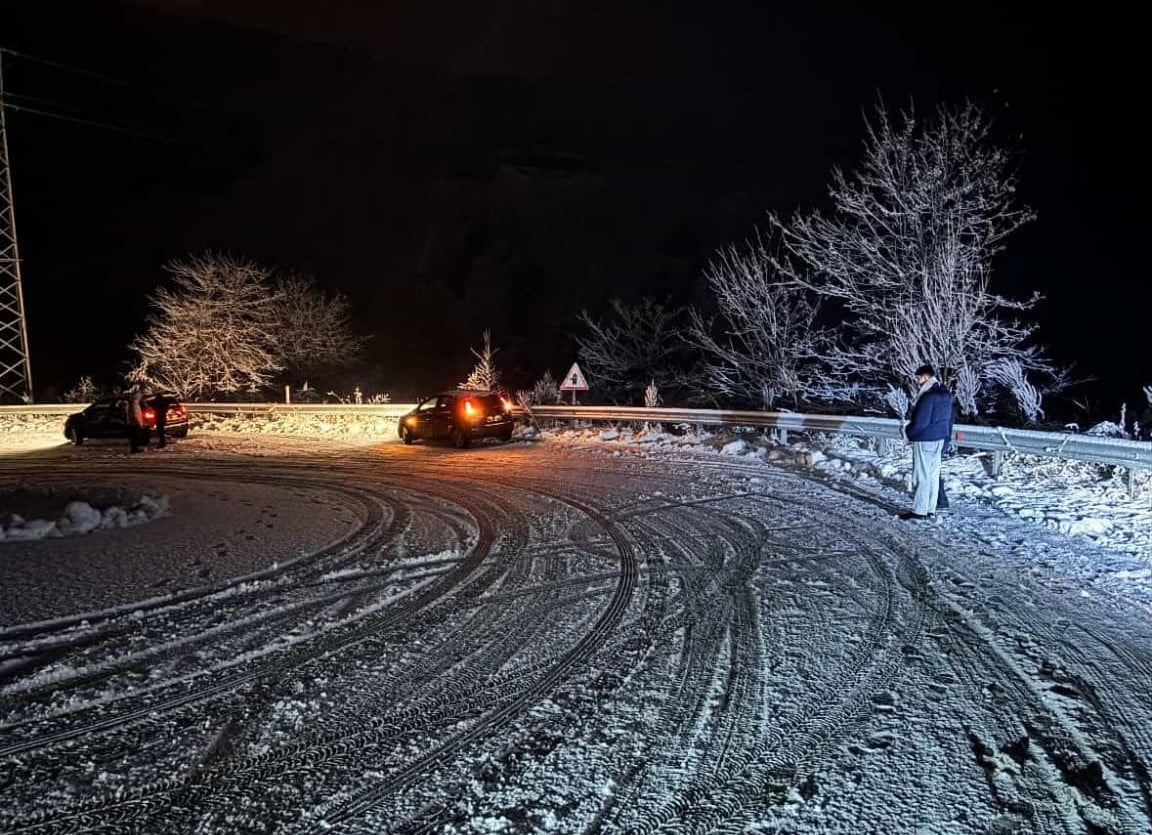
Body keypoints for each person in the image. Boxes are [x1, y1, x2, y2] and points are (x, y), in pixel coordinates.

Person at [902, 363, 953, 520]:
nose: (917, 381)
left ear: (925, 377)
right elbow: (949, 419)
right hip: (939, 438)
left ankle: (919, 510)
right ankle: (931, 508)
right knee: (933, 475)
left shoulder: (927, 396)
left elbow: (920, 422)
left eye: (918, 378)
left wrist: (908, 432)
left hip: (925, 439)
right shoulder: (945, 394)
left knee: (921, 475)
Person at [127, 389, 146, 453]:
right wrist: (140, 423)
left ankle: (134, 448)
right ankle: (134, 449)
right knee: (135, 437)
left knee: (134, 437)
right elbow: (136, 414)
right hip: (135, 423)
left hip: (132, 422)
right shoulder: (135, 404)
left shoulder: (131, 403)